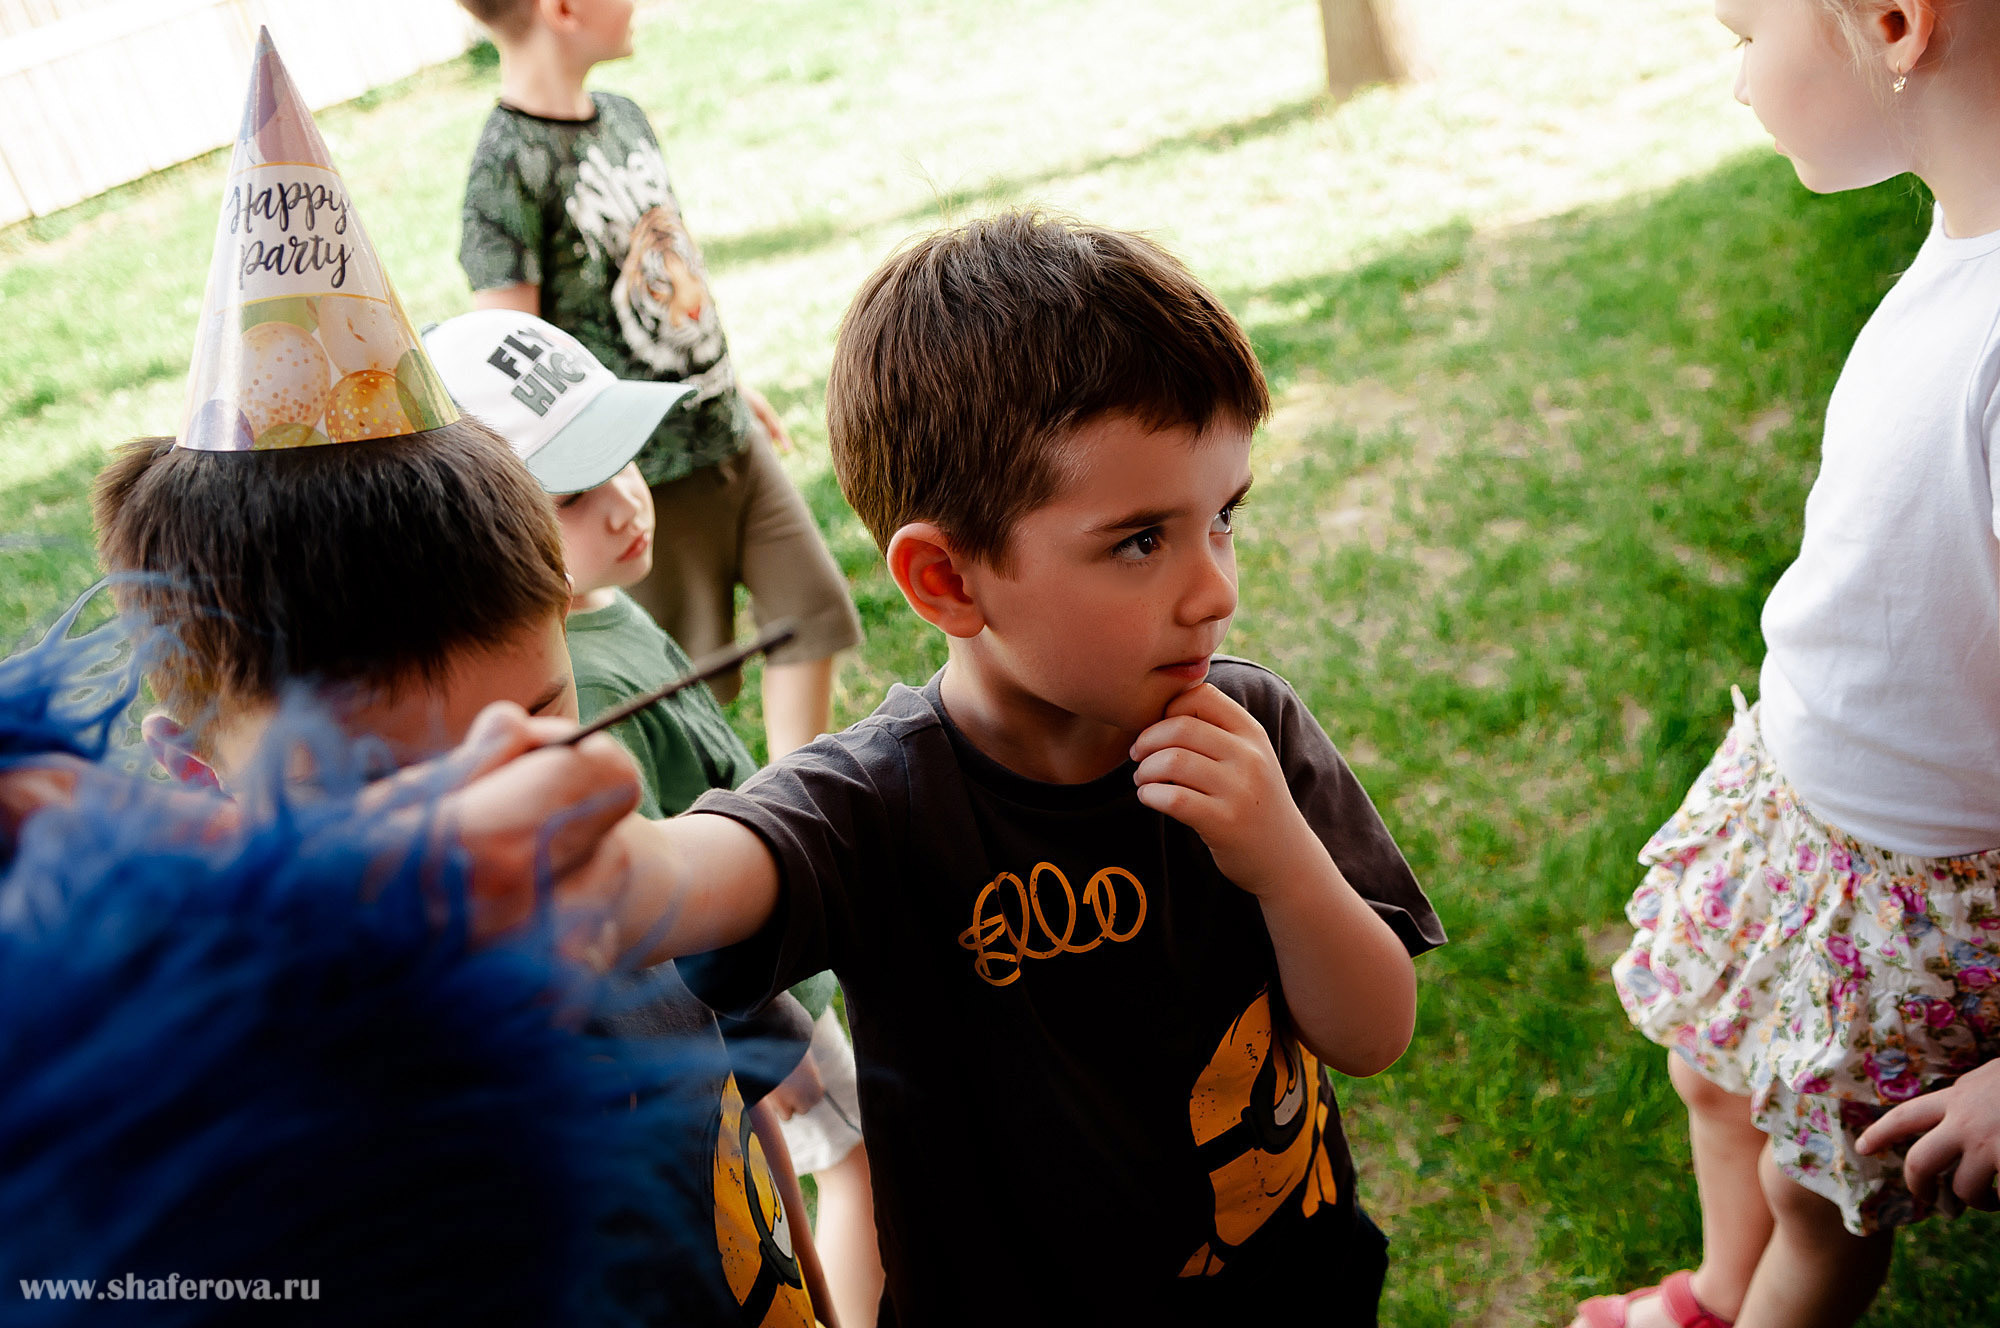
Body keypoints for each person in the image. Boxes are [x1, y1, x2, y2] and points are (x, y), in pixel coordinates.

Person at [435, 210, 1446, 1325]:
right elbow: (702, 868)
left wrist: (1283, 862)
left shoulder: (1247, 723)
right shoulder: (878, 804)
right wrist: (590, 844)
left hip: (1287, 1289)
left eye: (1223, 519)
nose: (1215, 589)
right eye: (1141, 540)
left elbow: (1371, 1030)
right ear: (946, 581)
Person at [90, 35, 835, 1325]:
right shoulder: (249, 1110)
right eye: (388, 777)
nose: (496, 800)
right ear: (199, 776)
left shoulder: (633, 893)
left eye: (538, 717)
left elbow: (762, 1146)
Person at [1581, 3, 2000, 1327]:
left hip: (1911, 892)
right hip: (1799, 799)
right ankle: (1712, 1296)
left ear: (1893, 24)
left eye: (1745, 28)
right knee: (1714, 1070)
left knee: (1818, 1201)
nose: (1739, 78)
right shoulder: (1967, 233)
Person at [427, 308, 885, 1324]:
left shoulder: (604, 605)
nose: (627, 501)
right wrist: (774, 1041)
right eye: (578, 490)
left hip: (767, 964)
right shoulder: (566, 688)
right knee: (857, 1172)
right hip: (731, 1000)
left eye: (625, 461)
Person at [455, 0, 863, 760]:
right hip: (642, 469)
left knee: (814, 611)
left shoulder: (623, 117)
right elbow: (513, 354)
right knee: (679, 679)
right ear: (563, 10)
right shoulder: (504, 166)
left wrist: (718, 379)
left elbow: (664, 269)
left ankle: (798, 793)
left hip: (720, 426)